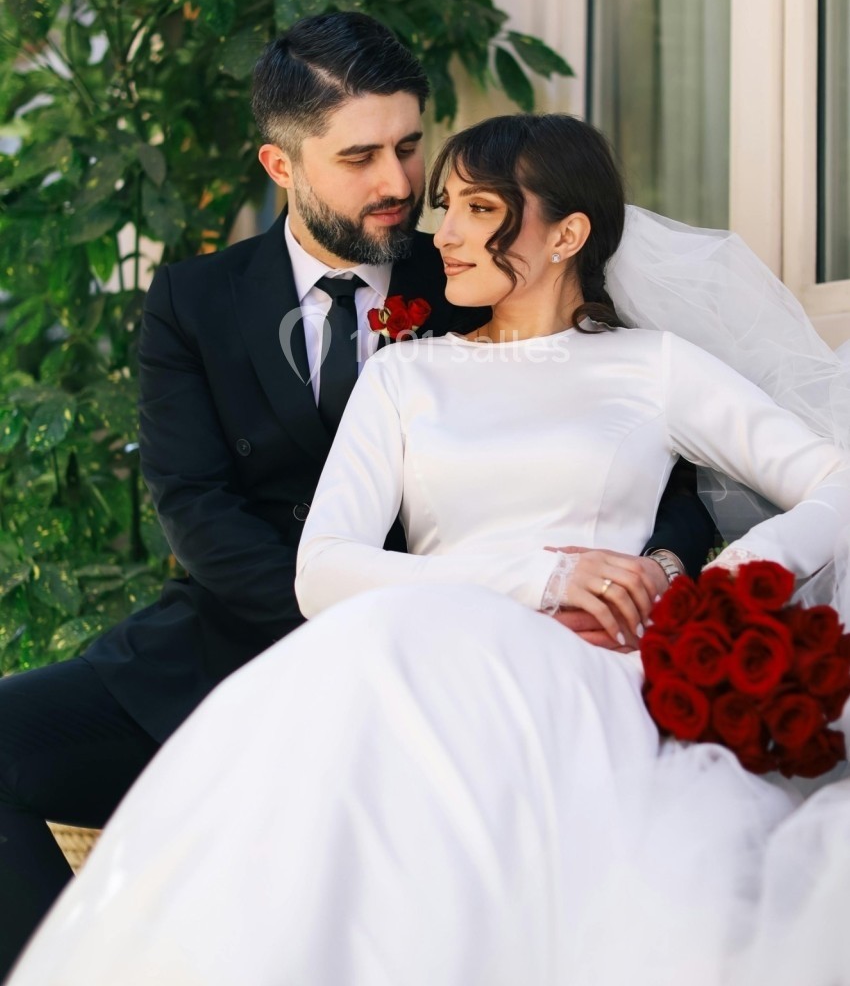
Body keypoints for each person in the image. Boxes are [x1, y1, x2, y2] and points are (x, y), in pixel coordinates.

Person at [9, 112, 850, 986]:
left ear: (566, 234)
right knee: (351, 698)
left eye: (477, 209)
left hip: (585, 674)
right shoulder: (405, 375)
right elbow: (324, 567)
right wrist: (545, 574)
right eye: (443, 204)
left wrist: (717, 583)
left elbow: (835, 476)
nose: (440, 232)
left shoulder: (654, 366)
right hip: (426, 651)